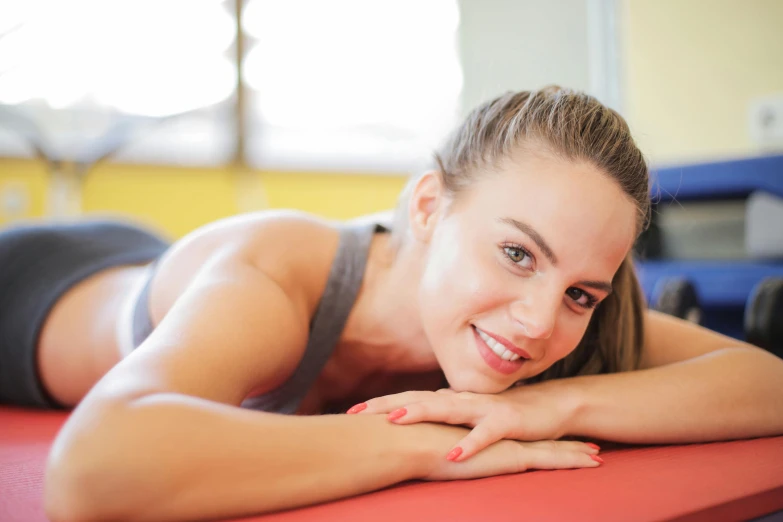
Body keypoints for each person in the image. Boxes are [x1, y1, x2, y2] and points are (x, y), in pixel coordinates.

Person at [1, 87, 781, 521]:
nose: (541, 323)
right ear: (429, 207)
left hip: (141, 253)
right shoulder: (279, 275)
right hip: (29, 286)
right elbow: (93, 474)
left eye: (579, 291)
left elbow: (767, 384)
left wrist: (545, 407)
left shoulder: (556, 315)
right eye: (516, 253)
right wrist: (432, 449)